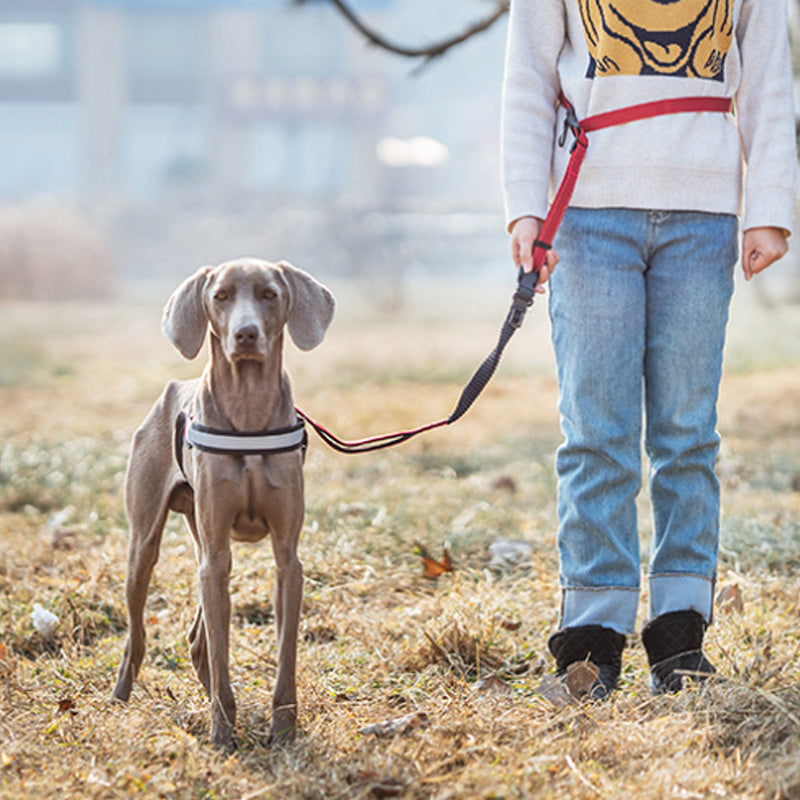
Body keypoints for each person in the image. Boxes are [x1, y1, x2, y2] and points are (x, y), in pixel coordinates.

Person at [501, 0, 798, 696]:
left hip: (704, 215)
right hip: (588, 213)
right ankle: (591, 640)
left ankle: (679, 637)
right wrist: (524, 205)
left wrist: (772, 208)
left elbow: (767, 83)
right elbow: (527, 79)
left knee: (686, 434)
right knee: (597, 431)